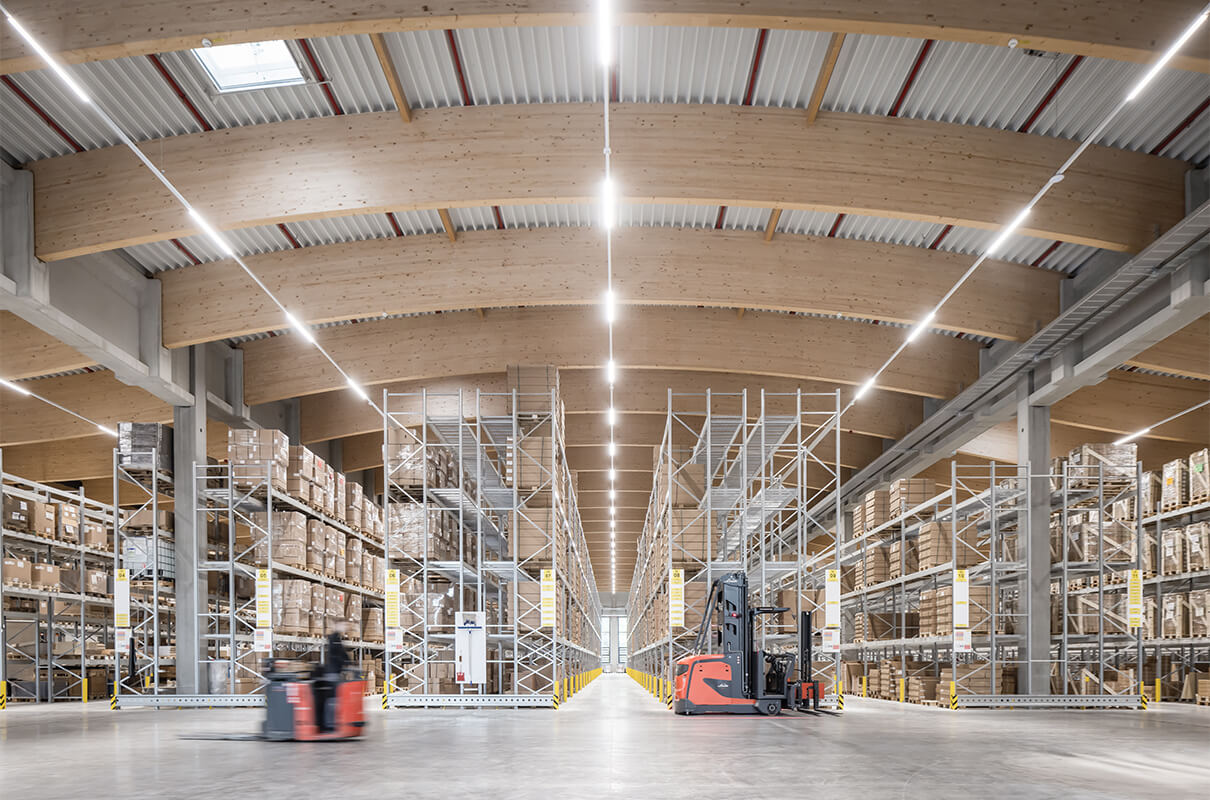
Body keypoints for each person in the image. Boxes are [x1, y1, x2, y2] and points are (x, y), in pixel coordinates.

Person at [313, 619, 351, 731]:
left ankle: (333, 722)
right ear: (337, 625)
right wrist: (346, 662)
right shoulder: (333, 638)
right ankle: (328, 724)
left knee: (336, 699)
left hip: (336, 672)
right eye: (343, 625)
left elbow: (343, 653)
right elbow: (337, 654)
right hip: (332, 673)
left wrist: (349, 663)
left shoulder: (337, 638)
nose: (345, 628)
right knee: (333, 700)